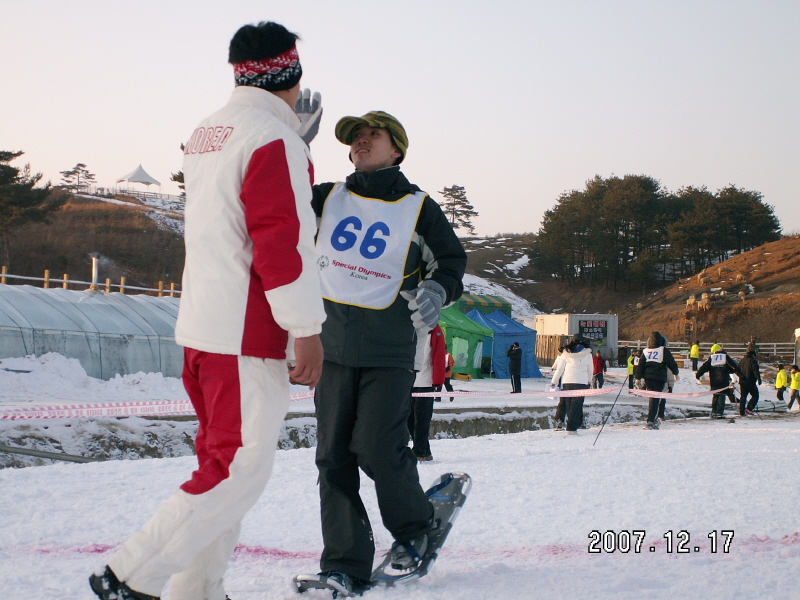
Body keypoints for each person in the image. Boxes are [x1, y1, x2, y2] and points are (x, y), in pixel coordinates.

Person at [88, 22, 326, 600]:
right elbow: (281, 239)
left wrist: (290, 134)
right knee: (236, 472)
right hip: (245, 332)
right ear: (292, 78)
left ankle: (198, 590)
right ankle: (131, 577)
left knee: (226, 469)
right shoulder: (274, 139)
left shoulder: (207, 132)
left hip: (203, 326)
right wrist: (307, 328)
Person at [310, 110, 467, 594]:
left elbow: (452, 261)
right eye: (355, 137)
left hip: (390, 347)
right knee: (333, 458)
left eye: (371, 135)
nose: (361, 141)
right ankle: (344, 564)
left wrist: (438, 291)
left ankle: (417, 529)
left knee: (377, 446)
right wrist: (291, 147)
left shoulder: (419, 207)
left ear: (396, 148)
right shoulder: (327, 196)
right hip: (331, 346)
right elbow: (276, 208)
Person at [408, 324, 446, 461]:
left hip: (426, 381)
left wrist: (438, 380)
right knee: (409, 418)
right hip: (409, 381)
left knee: (422, 419)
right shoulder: (407, 327)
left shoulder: (434, 330)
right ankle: (425, 450)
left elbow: (439, 355)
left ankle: (419, 451)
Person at [634, 331, 680, 429]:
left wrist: (637, 378)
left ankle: (652, 419)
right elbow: (671, 362)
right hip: (659, 378)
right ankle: (651, 420)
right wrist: (676, 373)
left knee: (653, 398)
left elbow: (640, 365)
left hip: (648, 379)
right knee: (655, 399)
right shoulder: (663, 350)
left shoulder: (646, 351)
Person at [550, 335, 593, 434]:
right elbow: (590, 369)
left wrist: (554, 381)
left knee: (568, 405)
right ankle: (572, 428)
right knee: (576, 405)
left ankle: (568, 425)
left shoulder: (566, 353)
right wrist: (590, 381)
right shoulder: (587, 354)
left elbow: (559, 369)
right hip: (581, 382)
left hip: (567, 382)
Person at [696, 349, 741, 418]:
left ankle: (714, 411)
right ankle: (719, 412)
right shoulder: (725, 357)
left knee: (716, 395)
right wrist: (731, 371)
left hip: (714, 380)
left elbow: (704, 367)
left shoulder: (712, 358)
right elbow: (734, 366)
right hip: (723, 380)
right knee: (722, 395)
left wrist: (698, 374)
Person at [737, 346, 762, 416]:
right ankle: (749, 408)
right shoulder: (753, 361)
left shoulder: (741, 361)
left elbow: (736, 370)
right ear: (753, 354)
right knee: (755, 395)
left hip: (742, 382)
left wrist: (741, 376)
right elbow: (756, 371)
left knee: (743, 397)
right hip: (750, 381)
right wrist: (759, 379)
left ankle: (741, 412)